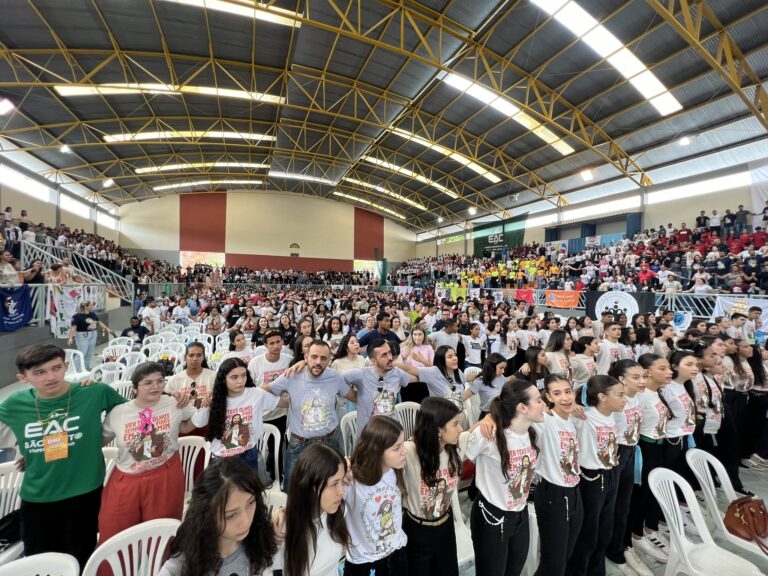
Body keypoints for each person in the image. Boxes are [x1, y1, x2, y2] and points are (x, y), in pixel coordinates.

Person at [0, 345, 126, 567]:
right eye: (39, 372)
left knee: (81, 558)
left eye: (56, 368)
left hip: (85, 493)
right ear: (23, 377)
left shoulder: (95, 392)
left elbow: (132, 414)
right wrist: (30, 451)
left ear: (66, 366)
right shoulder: (14, 404)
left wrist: (98, 440)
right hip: (38, 496)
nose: (51, 377)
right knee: (39, 563)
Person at [98, 362, 197, 544]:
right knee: (115, 532)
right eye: (148, 383)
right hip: (127, 479)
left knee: (161, 533)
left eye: (160, 381)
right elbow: (98, 442)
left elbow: (190, 423)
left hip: (165, 474)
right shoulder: (119, 413)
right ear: (135, 388)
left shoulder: (174, 403)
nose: (155, 386)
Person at [402, 397, 489, 575]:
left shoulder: (456, 445)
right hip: (417, 530)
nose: (461, 429)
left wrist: (488, 420)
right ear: (437, 430)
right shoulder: (409, 452)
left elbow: (481, 425)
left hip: (445, 525)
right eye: (455, 424)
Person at [466, 379, 543, 576]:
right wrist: (484, 420)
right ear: (522, 407)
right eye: (538, 400)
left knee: (514, 570)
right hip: (491, 517)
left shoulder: (532, 431)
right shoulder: (489, 434)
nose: (544, 404)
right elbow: (457, 452)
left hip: (519, 513)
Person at [158, 458, 277, 576]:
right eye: (231, 515)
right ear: (207, 515)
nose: (246, 521)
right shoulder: (185, 563)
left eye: (251, 502)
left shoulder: (259, 536)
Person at [263, 340, 356, 487]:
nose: (318, 362)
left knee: (330, 487)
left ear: (329, 360)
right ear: (306, 357)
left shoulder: (335, 377)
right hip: (300, 445)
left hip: (330, 441)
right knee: (292, 490)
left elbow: (355, 397)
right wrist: (284, 402)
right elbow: (263, 392)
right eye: (314, 357)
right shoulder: (291, 375)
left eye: (323, 358)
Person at [193, 358, 285, 482]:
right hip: (223, 458)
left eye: (243, 375)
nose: (240, 381)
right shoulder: (215, 399)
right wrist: (204, 405)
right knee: (225, 493)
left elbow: (283, 403)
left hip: (249, 454)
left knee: (249, 490)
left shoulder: (256, 394)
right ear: (223, 379)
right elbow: (198, 422)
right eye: (234, 377)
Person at [571, 375, 625, 576]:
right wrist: (571, 407)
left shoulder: (613, 414)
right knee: (588, 532)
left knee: (605, 529)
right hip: (591, 478)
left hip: (611, 472)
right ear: (602, 397)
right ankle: (579, 571)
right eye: (619, 395)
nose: (624, 399)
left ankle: (596, 570)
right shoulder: (584, 416)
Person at [532, 375, 583, 576]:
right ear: (548, 397)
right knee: (553, 563)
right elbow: (509, 405)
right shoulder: (544, 420)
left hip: (575, 492)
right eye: (557, 393)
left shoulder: (572, 419)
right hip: (552, 496)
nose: (565, 397)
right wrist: (490, 418)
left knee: (567, 554)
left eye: (568, 391)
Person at [344, 415, 408, 576]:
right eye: (396, 448)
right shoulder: (351, 480)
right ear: (376, 450)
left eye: (403, 443)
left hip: (397, 554)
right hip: (365, 563)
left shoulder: (395, 470)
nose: (404, 451)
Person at [606, 360, 652, 576]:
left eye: (643, 376)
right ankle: (613, 551)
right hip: (617, 454)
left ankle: (622, 547)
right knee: (613, 506)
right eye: (636, 377)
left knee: (624, 505)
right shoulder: (614, 401)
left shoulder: (638, 398)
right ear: (621, 379)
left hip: (631, 450)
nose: (642, 381)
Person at [278, 444, 350, 576]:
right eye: (334, 483)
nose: (341, 491)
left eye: (342, 481)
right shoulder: (284, 528)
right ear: (311, 486)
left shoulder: (338, 510)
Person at [339, 339, 412, 437]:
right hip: (367, 436)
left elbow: (416, 377)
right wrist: (354, 396)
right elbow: (337, 382)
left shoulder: (397, 373)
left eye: (389, 352)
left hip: (390, 434)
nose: (390, 357)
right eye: (384, 355)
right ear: (373, 361)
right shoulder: (361, 374)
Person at [166, 341, 216, 409]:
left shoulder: (213, 376)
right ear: (185, 357)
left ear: (203, 357)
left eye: (199, 355)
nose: (195, 359)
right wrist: (171, 394)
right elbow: (165, 397)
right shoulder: (175, 379)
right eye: (191, 355)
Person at [67, 301, 115, 370]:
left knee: (89, 352)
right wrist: (70, 338)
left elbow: (99, 323)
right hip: (82, 335)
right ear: (85, 307)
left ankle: (86, 367)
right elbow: (73, 328)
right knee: (82, 352)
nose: (92, 307)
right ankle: (76, 369)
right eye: (91, 305)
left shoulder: (93, 314)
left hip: (93, 334)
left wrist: (107, 329)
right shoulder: (76, 316)